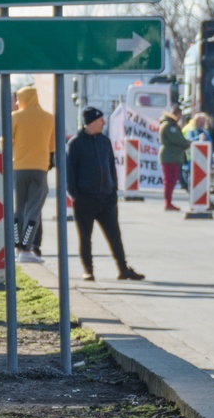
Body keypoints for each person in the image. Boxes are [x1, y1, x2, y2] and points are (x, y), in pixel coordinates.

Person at [66, 107, 144, 282]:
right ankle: (88, 270)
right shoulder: (76, 143)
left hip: (106, 199)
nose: (103, 123)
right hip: (85, 199)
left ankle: (123, 269)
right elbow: (69, 173)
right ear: (92, 122)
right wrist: (76, 195)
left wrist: (113, 191)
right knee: (85, 237)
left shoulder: (104, 141)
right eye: (100, 120)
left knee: (115, 236)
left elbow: (111, 168)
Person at [11, 86, 53, 264]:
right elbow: (53, 145)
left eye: (18, 99)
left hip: (18, 167)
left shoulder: (16, 117)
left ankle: (16, 247)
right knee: (34, 210)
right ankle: (27, 248)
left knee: (18, 209)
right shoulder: (49, 118)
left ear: (23, 99)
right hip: (40, 169)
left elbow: (5, 140)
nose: (16, 102)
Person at [158, 105, 191, 212]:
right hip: (170, 156)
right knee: (170, 180)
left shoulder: (169, 125)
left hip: (172, 156)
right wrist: (188, 143)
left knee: (171, 180)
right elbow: (178, 140)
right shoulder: (169, 126)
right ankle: (168, 203)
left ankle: (168, 202)